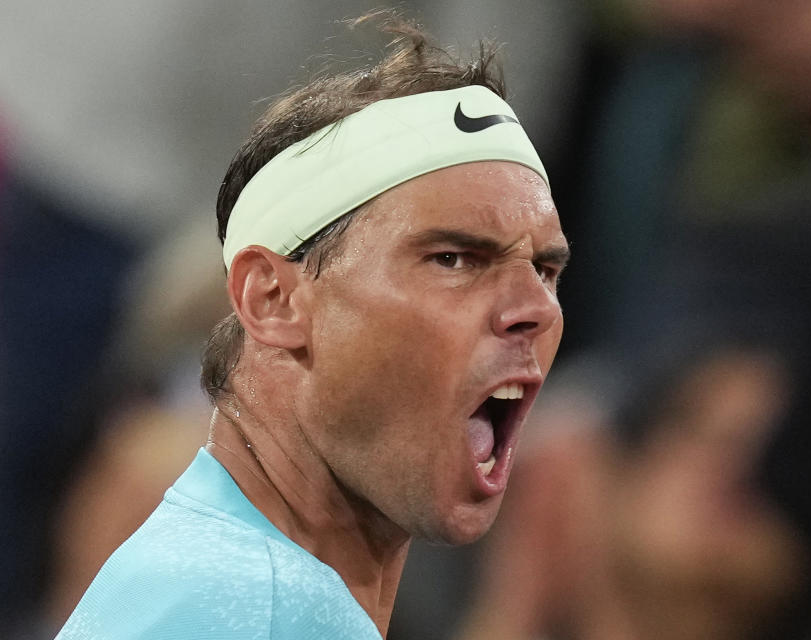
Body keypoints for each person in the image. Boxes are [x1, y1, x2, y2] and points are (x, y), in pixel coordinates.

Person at [55, 11, 568, 639]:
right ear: (272, 299)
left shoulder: (211, 572)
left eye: (544, 269)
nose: (537, 309)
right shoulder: (270, 611)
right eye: (453, 259)